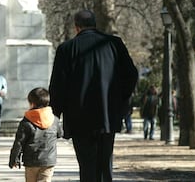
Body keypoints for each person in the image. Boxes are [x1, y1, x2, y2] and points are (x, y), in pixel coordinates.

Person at [49, 10, 138, 182]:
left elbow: (58, 85)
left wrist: (56, 113)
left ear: (76, 27)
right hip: (107, 115)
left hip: (79, 116)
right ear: (95, 24)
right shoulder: (114, 44)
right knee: (105, 164)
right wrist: (120, 101)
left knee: (86, 166)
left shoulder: (66, 49)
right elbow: (131, 75)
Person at [9, 87, 63, 182]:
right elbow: (60, 133)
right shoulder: (54, 120)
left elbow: (19, 142)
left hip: (31, 161)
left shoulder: (26, 122)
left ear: (32, 104)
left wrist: (14, 159)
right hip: (48, 160)